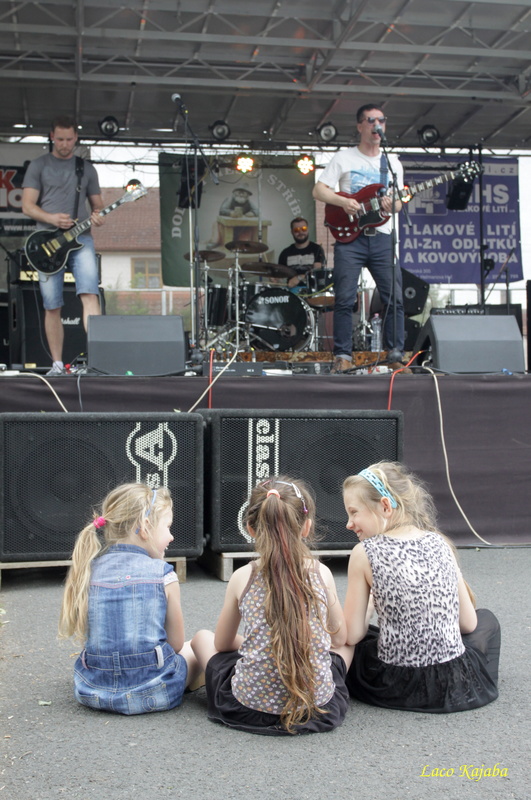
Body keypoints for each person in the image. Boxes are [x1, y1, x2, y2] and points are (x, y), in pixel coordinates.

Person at [191, 476, 352, 735]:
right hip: (316, 708)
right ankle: (322, 686)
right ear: (307, 527)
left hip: (250, 708)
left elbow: (221, 644)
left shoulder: (243, 577)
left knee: (201, 638)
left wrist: (256, 642)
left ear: (250, 528)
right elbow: (339, 638)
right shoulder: (321, 573)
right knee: (348, 646)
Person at [342, 462, 500, 713]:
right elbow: (468, 624)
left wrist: (370, 607)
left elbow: (351, 635)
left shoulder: (364, 553)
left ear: (385, 506)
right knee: (487, 620)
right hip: (450, 683)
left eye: (353, 512)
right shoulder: (440, 542)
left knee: (361, 638)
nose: (349, 524)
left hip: (396, 685)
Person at [58, 483, 202, 715]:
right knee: (194, 647)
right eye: (167, 527)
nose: (171, 536)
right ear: (145, 527)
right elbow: (175, 645)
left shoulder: (88, 570)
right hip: (155, 693)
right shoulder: (164, 574)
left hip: (92, 691)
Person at [313, 104, 406, 373]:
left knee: (394, 299)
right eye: (371, 120)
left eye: (381, 120)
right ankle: (343, 355)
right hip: (351, 238)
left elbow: (399, 203)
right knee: (344, 298)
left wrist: (392, 204)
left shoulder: (392, 163)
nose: (377, 125)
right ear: (360, 126)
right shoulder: (344, 158)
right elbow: (319, 190)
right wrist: (343, 202)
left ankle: (395, 355)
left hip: (382, 238)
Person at [22, 115, 104, 375]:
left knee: (90, 294)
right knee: (52, 304)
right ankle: (57, 364)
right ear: (51, 137)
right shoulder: (38, 166)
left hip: (81, 238)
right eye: (60, 139)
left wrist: (98, 215)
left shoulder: (86, 169)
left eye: (69, 139)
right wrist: (51, 218)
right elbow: (27, 206)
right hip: (47, 242)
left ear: (76, 138)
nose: (65, 144)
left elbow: (98, 206)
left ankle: (97, 360)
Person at [278, 216, 326, 291]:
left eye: (304, 229)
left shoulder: (317, 249)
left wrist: (299, 277)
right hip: (292, 292)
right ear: (292, 232)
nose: (300, 232)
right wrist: (276, 279)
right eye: (296, 230)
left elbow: (317, 272)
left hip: (313, 290)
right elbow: (280, 275)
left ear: (308, 230)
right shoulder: (285, 253)